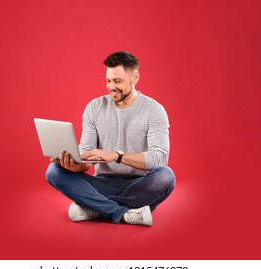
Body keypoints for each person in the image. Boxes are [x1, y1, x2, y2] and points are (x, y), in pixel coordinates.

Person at [46, 51, 176, 226]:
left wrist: (117, 156)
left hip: (139, 184)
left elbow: (159, 158)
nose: (111, 87)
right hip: (102, 183)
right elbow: (86, 157)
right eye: (108, 80)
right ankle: (123, 213)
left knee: (166, 176)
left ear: (135, 78)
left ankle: (94, 207)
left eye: (117, 81)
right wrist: (75, 164)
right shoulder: (94, 108)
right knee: (54, 171)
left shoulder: (154, 110)